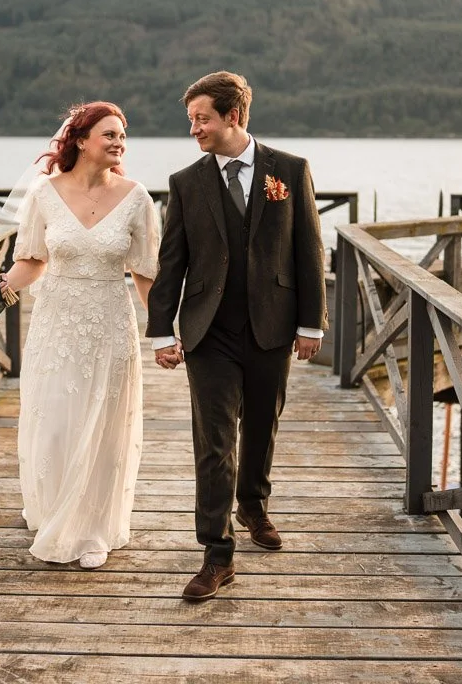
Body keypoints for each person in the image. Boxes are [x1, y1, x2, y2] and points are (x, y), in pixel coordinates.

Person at [147, 71, 328, 601]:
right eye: (191, 121)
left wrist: (310, 324)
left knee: (262, 426)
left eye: (202, 119)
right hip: (209, 331)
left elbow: (309, 250)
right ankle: (217, 555)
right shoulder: (186, 182)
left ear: (235, 116)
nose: (195, 129)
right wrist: (162, 331)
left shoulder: (290, 171)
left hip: (273, 327)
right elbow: (171, 261)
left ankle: (252, 503)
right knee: (214, 442)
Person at [0, 101, 160, 570]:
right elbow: (31, 261)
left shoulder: (137, 198)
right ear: (81, 140)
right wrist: (2, 284)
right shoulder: (45, 194)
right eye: (108, 134)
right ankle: (51, 512)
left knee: (102, 426)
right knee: (54, 423)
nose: (118, 142)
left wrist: (166, 333)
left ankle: (90, 530)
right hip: (56, 323)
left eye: (122, 136)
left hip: (110, 322)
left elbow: (147, 275)